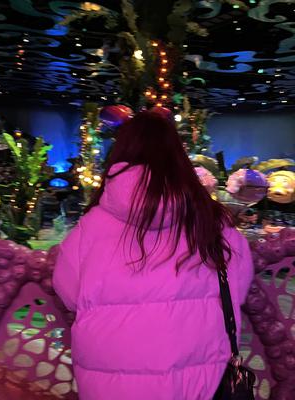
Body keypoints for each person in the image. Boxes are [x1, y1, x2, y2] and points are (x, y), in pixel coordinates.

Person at [53, 111, 254, 400]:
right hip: (199, 378)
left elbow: (68, 292)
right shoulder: (212, 222)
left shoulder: (90, 227)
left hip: (110, 378)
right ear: (178, 155)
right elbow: (238, 287)